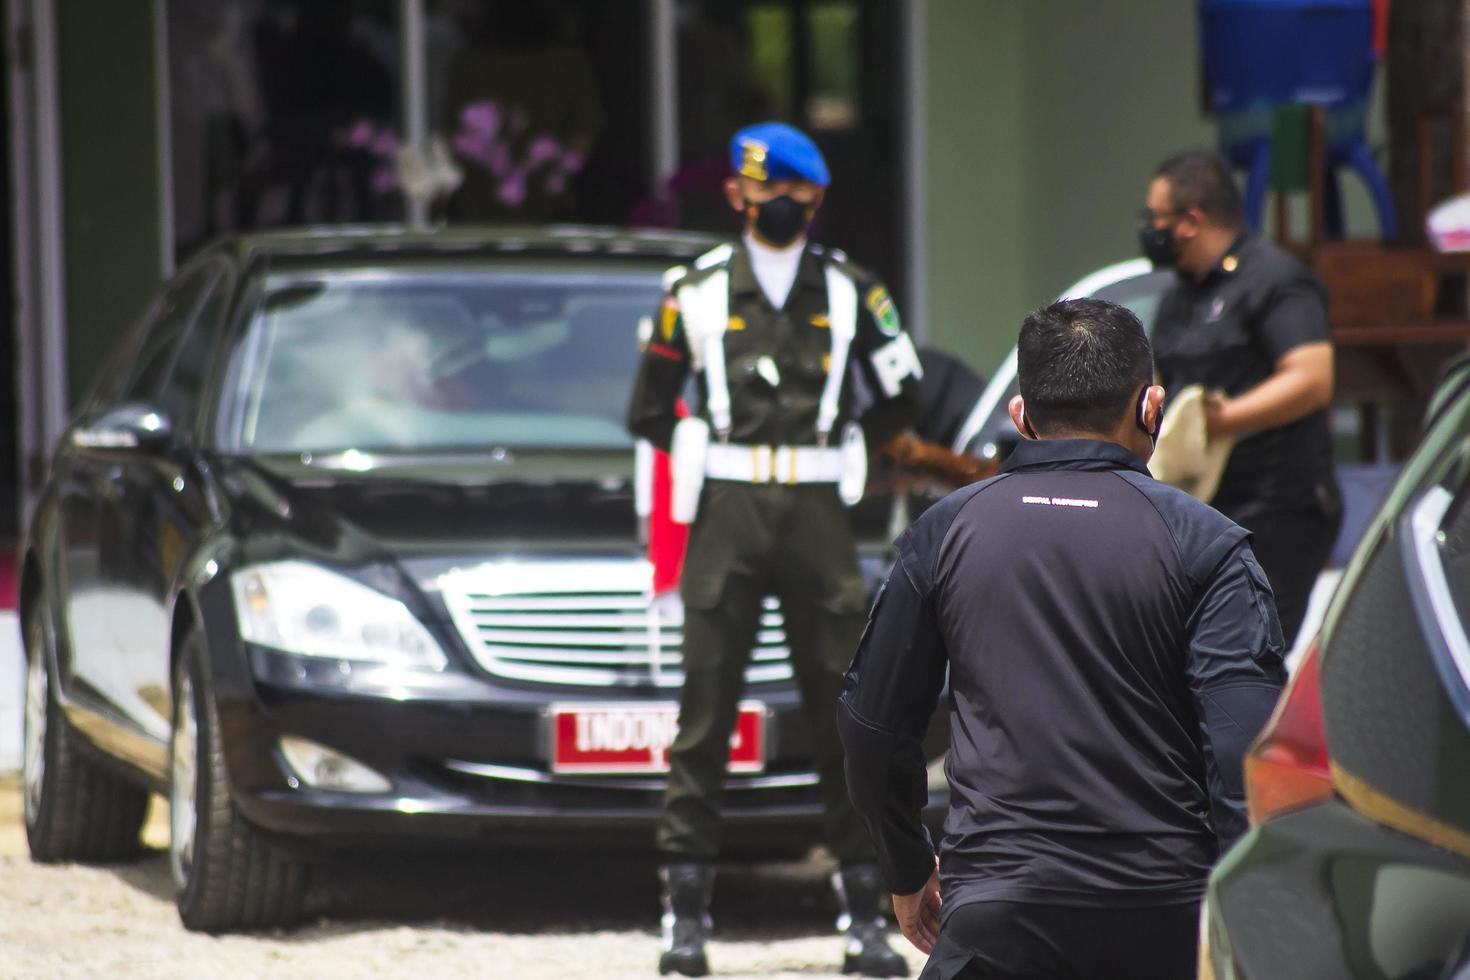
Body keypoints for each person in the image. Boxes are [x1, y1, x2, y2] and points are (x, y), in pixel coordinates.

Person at [838, 298, 1288, 980]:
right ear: (1152, 408)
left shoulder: (944, 532)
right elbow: (1244, 751)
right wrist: (1244, 922)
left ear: (1021, 415)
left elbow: (873, 729)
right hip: (1166, 914)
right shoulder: (1209, 544)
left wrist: (906, 868)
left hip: (996, 915)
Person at [627, 121, 922, 978]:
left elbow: (900, 389)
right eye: (763, 197)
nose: (778, 208)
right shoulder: (696, 289)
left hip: (820, 512)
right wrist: (696, 455)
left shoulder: (855, 289)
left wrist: (859, 445)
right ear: (735, 198)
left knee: (846, 712)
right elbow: (650, 407)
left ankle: (865, 914)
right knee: (706, 711)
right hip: (727, 507)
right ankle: (686, 918)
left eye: (793, 197)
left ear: (818, 200)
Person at [1141, 149, 1342, 648]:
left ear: (1190, 221)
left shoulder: (1275, 279)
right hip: (1204, 512)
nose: (1149, 229)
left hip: (1275, 512)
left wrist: (1221, 421)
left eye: (1156, 218)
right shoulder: (1177, 297)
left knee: (1249, 662)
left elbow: (1312, 379)